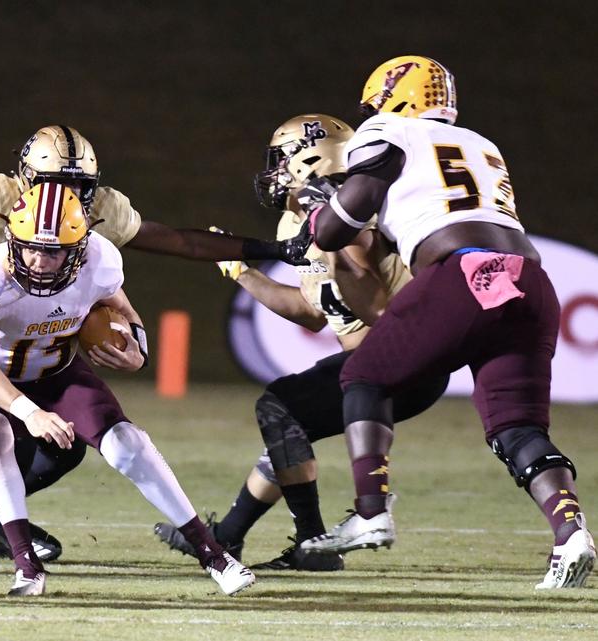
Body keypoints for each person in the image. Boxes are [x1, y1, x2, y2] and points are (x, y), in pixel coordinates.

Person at [299, 55, 594, 589]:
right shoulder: (482, 145)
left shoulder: (388, 129)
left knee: (364, 377)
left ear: (396, 96)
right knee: (518, 426)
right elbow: (426, 214)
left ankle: (371, 510)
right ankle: (571, 531)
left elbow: (346, 219)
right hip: (529, 281)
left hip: (464, 275)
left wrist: (322, 215)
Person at [0, 125, 313, 561]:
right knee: (8, 439)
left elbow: (174, 240)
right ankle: (7, 534)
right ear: (25, 177)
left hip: (50, 344)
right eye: (56, 183)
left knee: (64, 449)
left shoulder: (102, 212)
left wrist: (273, 249)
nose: (68, 194)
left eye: (78, 185)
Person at [154, 114, 449, 571]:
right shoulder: (297, 221)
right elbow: (313, 313)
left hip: (402, 359)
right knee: (288, 427)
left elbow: (373, 304)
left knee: (279, 409)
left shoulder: (354, 212)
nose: (273, 172)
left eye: (281, 160)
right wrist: (241, 272)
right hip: (376, 361)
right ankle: (228, 536)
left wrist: (331, 229)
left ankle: (312, 544)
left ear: (311, 157)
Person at [0, 182, 255, 596]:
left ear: (80, 247)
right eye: (29, 246)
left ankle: (214, 555)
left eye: (53, 251)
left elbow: (122, 308)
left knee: (128, 443)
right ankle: (26, 567)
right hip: (0, 378)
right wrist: (30, 412)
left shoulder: (100, 261)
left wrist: (138, 345)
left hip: (58, 372)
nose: (38, 260)